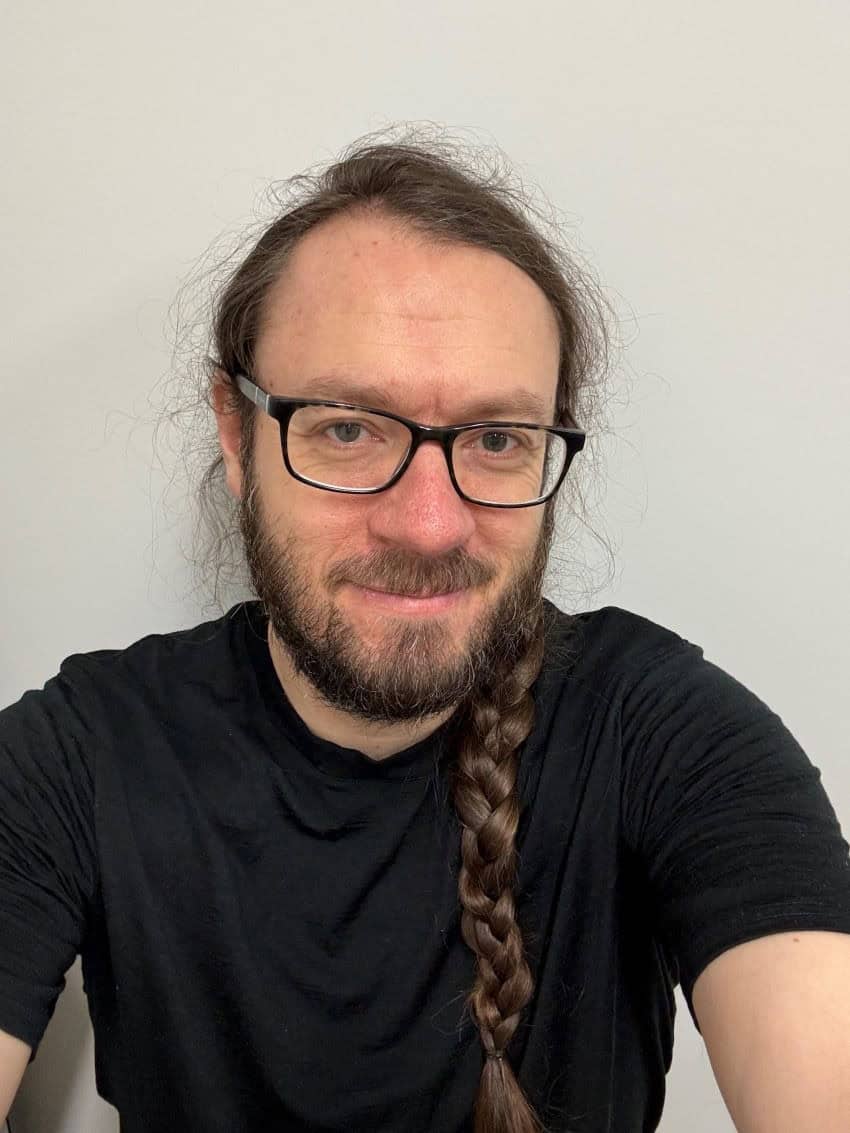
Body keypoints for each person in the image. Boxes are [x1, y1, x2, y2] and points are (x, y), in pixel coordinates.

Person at [2, 133, 850, 1133]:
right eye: (349, 428)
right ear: (238, 435)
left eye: (497, 439)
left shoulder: (663, 733)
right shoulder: (81, 753)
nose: (429, 523)